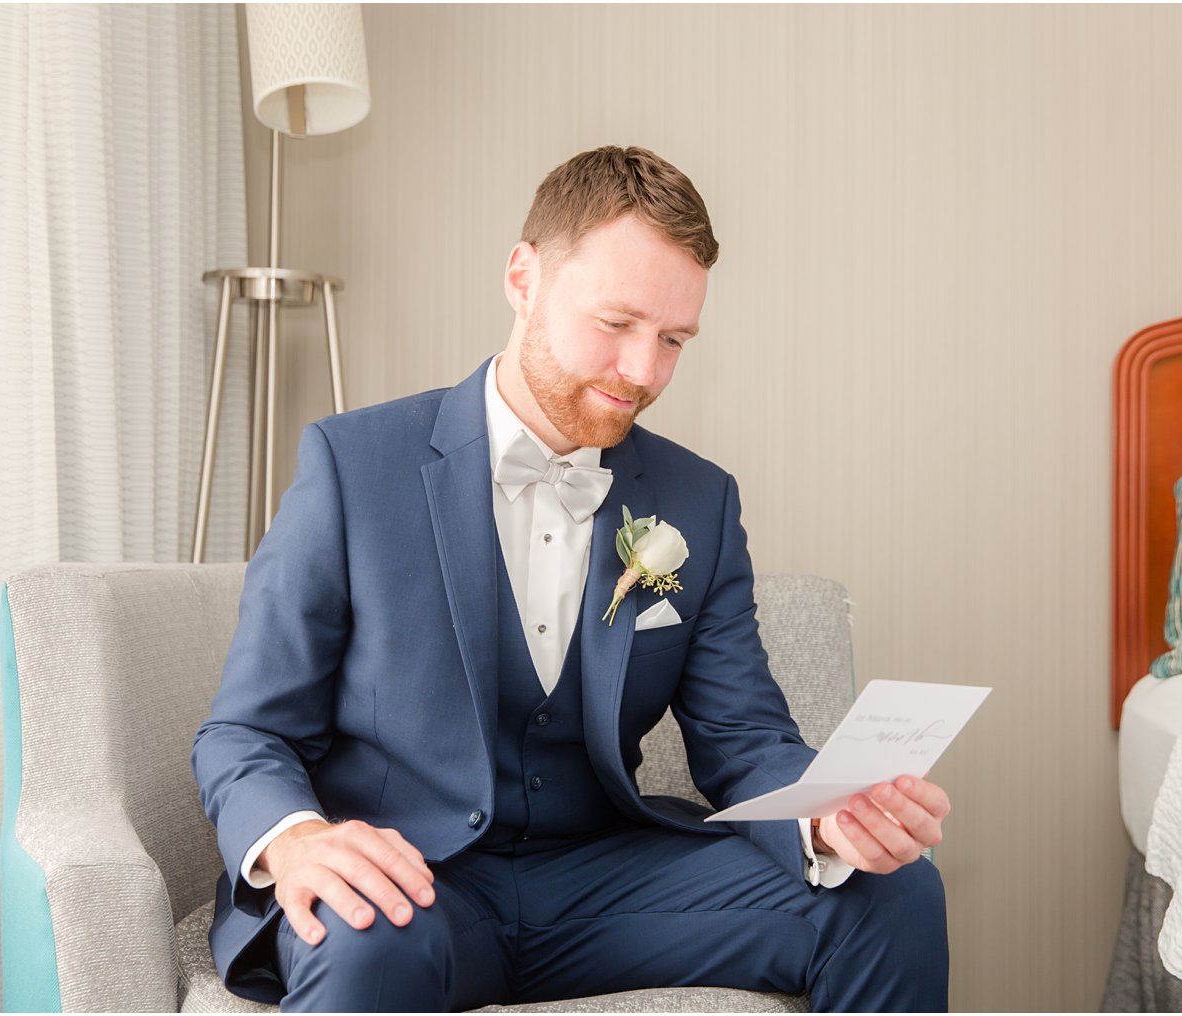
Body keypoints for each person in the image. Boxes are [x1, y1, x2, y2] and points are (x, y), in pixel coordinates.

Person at [192, 145, 951, 1012]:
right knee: (360, 938)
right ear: (524, 278)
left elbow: (743, 740)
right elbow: (245, 732)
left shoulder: (698, 502)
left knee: (891, 894)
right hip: (417, 881)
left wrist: (826, 813)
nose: (644, 372)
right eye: (618, 324)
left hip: (607, 884)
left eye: (673, 340)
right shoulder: (354, 466)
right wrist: (296, 842)